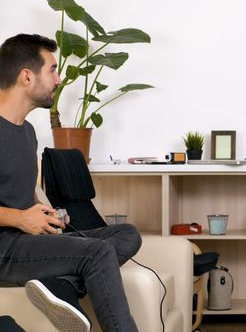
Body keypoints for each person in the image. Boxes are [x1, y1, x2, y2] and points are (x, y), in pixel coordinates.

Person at [0, 34, 142, 332]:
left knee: (126, 234)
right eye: (52, 69)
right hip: (4, 249)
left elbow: (20, 197)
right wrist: (20, 219)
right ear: (26, 76)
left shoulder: (26, 133)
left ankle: (61, 284)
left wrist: (42, 214)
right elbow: (16, 213)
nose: (59, 79)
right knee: (98, 252)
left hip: (26, 241)